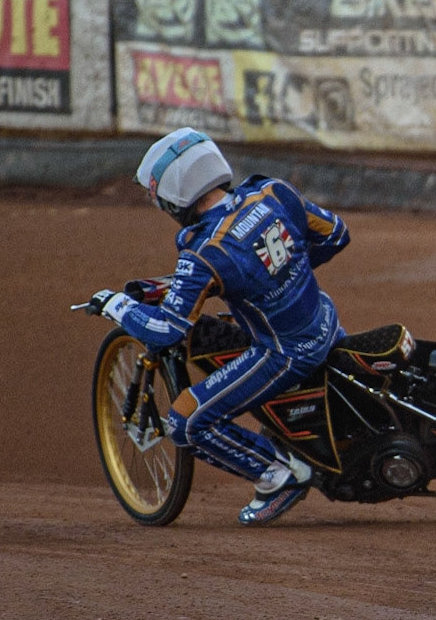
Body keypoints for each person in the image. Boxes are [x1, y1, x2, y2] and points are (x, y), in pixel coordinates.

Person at [87, 127, 350, 526]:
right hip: (325, 320)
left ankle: (279, 476)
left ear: (174, 198)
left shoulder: (205, 253)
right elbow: (335, 234)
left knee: (185, 421)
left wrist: (117, 304)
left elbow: (166, 332)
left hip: (285, 352)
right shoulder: (273, 193)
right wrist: (280, 277)